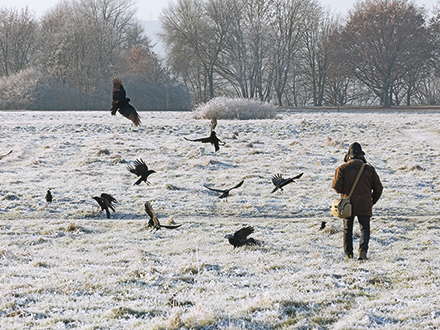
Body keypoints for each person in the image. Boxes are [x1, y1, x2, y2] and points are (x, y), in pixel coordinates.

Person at [332, 142, 383, 261]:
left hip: (347, 204)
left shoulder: (342, 168)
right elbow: (378, 188)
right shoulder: (369, 169)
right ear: (361, 155)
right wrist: (371, 201)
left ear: (349, 155)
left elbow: (336, 187)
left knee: (347, 229)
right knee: (364, 229)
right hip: (364, 204)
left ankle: (348, 254)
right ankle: (362, 252)